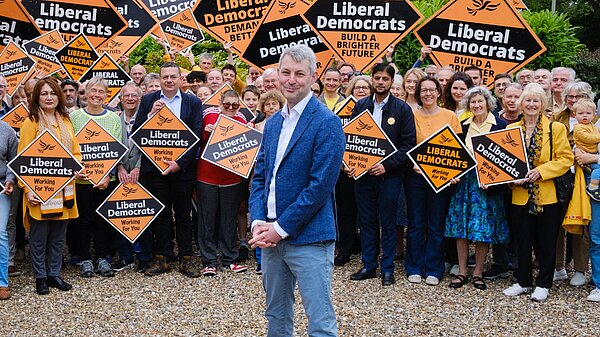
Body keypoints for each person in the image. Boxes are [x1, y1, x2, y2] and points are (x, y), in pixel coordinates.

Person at [248, 45, 345, 337]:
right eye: (286, 72)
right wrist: (257, 221)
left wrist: (280, 228)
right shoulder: (274, 122)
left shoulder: (327, 123)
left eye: (300, 74)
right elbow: (260, 178)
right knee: (276, 316)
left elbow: (319, 188)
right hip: (269, 238)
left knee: (320, 321)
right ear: (277, 74)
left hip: (310, 238)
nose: (291, 79)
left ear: (313, 77)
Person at [503, 83, 574, 302]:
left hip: (547, 194)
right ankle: (523, 281)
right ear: (521, 104)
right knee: (522, 240)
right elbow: (503, 163)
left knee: (546, 241)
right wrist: (510, 180)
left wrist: (541, 172)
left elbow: (565, 159)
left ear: (542, 104)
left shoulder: (556, 129)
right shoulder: (510, 130)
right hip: (520, 194)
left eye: (536, 101)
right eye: (527, 100)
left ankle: (543, 283)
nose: (531, 104)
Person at [132, 62, 203, 278]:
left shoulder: (193, 102)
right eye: (165, 77)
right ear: (160, 79)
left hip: (182, 170)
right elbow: (137, 133)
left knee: (183, 213)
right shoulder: (147, 100)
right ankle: (162, 257)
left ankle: (186, 258)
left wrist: (179, 163)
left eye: (173, 76)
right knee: (161, 213)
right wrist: (148, 117)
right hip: (155, 169)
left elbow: (197, 136)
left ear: (181, 79)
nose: (169, 80)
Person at [349, 62, 416, 286]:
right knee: (367, 222)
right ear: (372, 78)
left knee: (388, 223)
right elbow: (351, 140)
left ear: (391, 81)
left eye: (385, 79)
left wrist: (386, 165)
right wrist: (350, 163)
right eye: (377, 78)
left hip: (390, 176)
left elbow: (408, 146)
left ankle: (387, 268)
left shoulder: (402, 109)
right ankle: (369, 265)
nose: (380, 82)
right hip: (364, 176)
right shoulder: (360, 106)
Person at [21, 78, 83, 295]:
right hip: (38, 188)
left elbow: (75, 152)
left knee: (58, 236)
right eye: (44, 93)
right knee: (39, 237)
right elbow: (23, 159)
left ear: (59, 97)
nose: (49, 97)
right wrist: (28, 191)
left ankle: (54, 274)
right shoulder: (31, 122)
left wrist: (77, 167)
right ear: (37, 97)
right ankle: (40, 277)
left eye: (53, 93)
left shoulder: (66, 122)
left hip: (64, 188)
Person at [445, 86, 509, 291]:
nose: (477, 105)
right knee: (461, 228)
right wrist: (452, 175)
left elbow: (506, 159)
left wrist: (495, 179)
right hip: (465, 183)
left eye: (480, 101)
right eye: (473, 102)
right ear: (468, 105)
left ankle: (478, 272)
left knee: (485, 228)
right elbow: (454, 157)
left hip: (488, 185)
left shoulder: (501, 125)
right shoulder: (462, 126)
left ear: (488, 103)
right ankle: (462, 271)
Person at [405, 77, 461, 286]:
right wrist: (413, 164)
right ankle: (414, 267)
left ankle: (434, 269)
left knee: (436, 225)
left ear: (439, 92)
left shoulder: (450, 116)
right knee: (416, 223)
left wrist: (454, 171)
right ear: (418, 94)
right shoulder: (411, 115)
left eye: (431, 90)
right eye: (423, 90)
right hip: (416, 176)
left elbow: (457, 149)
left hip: (441, 178)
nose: (427, 94)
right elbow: (407, 143)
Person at [69, 77, 122, 278]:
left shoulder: (113, 119)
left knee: (103, 220)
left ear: (106, 95)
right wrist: (76, 169)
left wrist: (108, 175)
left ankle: (102, 257)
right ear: (86, 92)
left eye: (101, 92)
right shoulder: (75, 117)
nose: (97, 95)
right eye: (93, 91)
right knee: (83, 220)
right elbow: (70, 147)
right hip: (81, 179)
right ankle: (85, 259)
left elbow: (116, 150)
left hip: (105, 180)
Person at [197, 90, 249, 276]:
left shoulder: (242, 120)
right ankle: (208, 260)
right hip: (207, 176)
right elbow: (198, 136)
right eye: (227, 104)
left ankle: (230, 258)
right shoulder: (209, 114)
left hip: (232, 178)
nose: (230, 108)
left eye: (234, 105)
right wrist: (206, 131)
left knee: (229, 220)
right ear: (220, 102)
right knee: (207, 220)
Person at [551, 81, 596, 286]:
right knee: (557, 223)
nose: (573, 100)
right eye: (570, 96)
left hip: (584, 175)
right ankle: (559, 266)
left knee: (581, 222)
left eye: (578, 97)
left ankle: (579, 268)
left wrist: (587, 155)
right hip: (560, 176)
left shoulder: (594, 121)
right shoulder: (557, 117)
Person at [114, 82, 151, 272]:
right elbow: (111, 144)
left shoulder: (146, 119)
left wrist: (138, 167)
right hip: (120, 173)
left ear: (140, 98)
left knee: (142, 214)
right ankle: (125, 256)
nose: (130, 99)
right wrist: (119, 167)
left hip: (140, 173)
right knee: (121, 213)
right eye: (126, 96)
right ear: (120, 99)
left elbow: (149, 146)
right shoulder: (114, 119)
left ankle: (144, 257)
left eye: (134, 96)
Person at [0, 119, 17, 299]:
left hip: (1, 187)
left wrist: (10, 180)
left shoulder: (6, 130)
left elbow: (13, 160)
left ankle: (2, 282)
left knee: (0, 233)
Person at [573, 99, 600, 200]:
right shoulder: (579, 127)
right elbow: (588, 138)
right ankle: (592, 187)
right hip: (586, 153)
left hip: (593, 154)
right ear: (575, 115)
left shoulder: (593, 126)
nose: (585, 115)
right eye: (581, 113)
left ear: (594, 115)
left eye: (588, 113)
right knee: (598, 168)